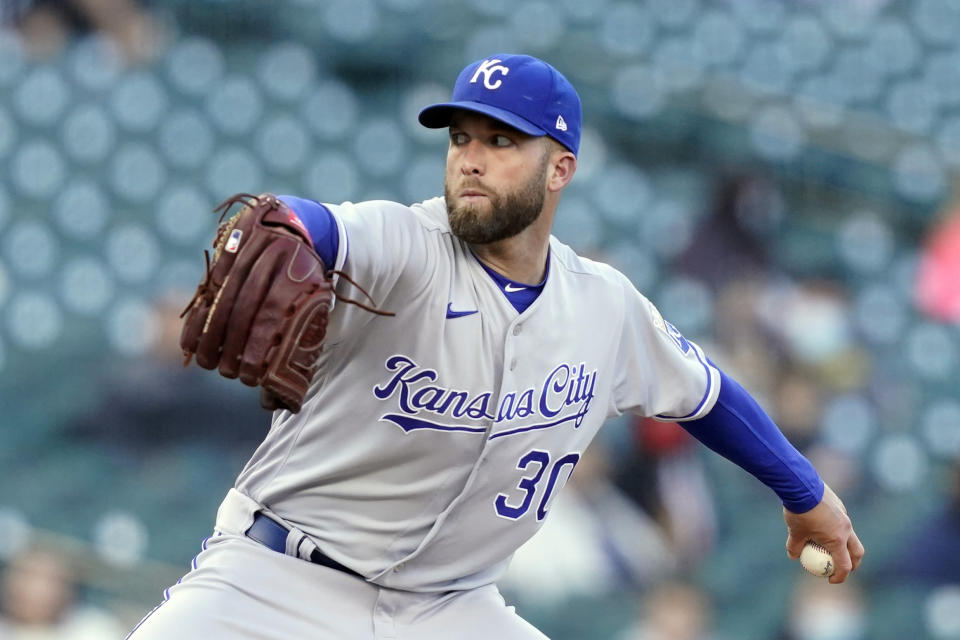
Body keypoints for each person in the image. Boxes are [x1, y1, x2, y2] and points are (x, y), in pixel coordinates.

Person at [126, 53, 864, 640]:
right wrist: (285, 222)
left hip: (450, 609)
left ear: (560, 169)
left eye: (501, 140)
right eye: (460, 138)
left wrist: (807, 494)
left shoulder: (604, 306)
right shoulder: (404, 245)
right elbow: (319, 224)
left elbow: (709, 398)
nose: (470, 158)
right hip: (278, 582)